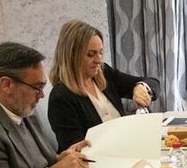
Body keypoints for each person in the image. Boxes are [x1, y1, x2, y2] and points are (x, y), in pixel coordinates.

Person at [0, 42, 95, 168]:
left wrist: (64, 159)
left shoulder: (24, 109)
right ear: (7, 85)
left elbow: (41, 164)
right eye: (37, 87)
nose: (41, 95)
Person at [47, 19, 161, 148]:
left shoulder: (104, 73)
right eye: (91, 54)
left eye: (101, 53)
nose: (98, 60)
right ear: (72, 55)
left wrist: (142, 87)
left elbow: (153, 82)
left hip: (126, 149)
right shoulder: (61, 98)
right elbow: (76, 149)